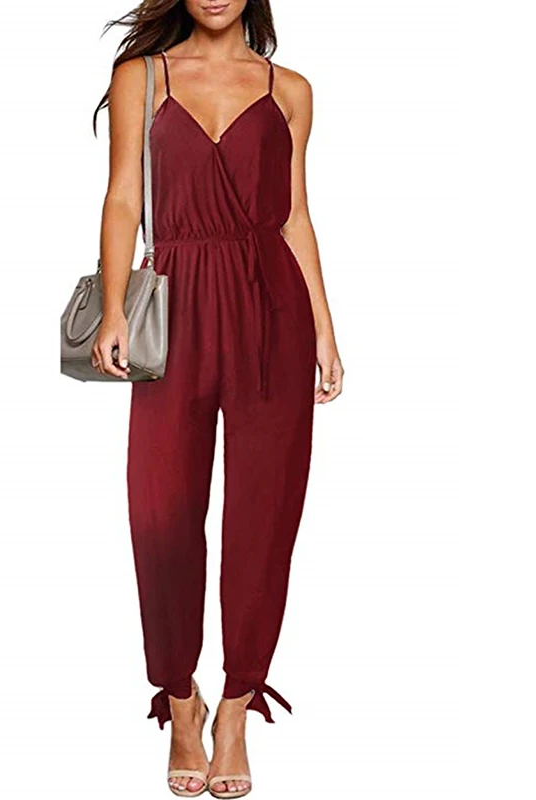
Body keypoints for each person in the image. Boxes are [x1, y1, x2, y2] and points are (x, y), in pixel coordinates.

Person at [91, 1, 343, 796]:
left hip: (273, 310)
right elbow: (124, 198)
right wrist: (111, 307)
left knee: (266, 514)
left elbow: (294, 217)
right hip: (176, 305)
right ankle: (180, 697)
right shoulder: (143, 77)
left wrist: (325, 330)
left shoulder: (290, 89)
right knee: (160, 511)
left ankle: (236, 706)